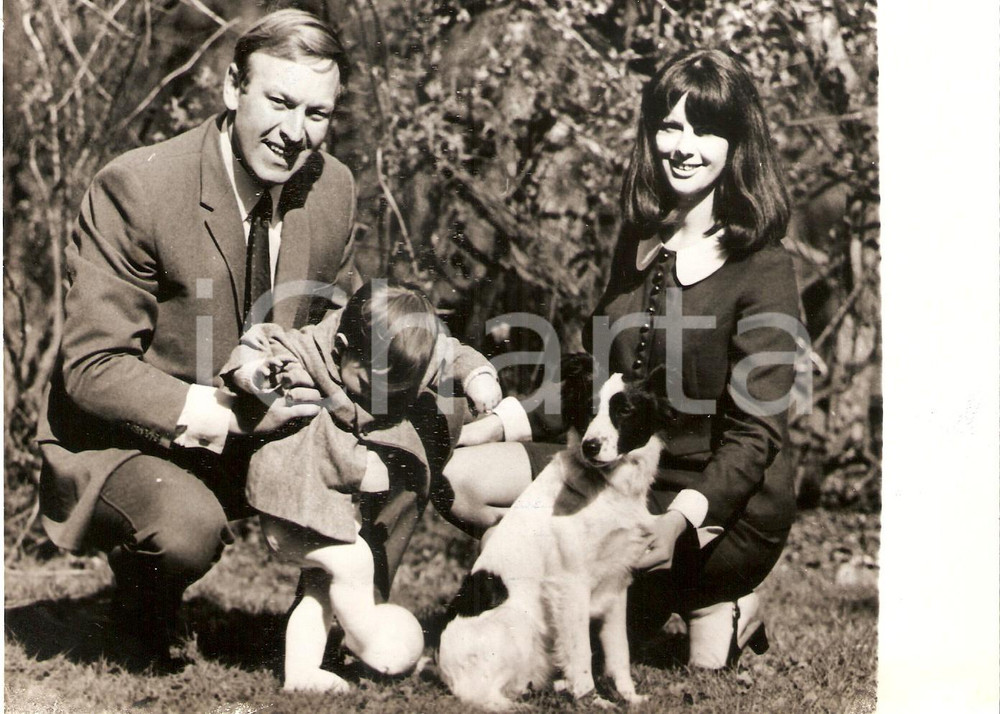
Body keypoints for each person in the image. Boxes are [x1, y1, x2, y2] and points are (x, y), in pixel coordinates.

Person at [439, 48, 802, 669]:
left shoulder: (765, 268)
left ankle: (722, 602)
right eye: (670, 125)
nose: (683, 146)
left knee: (697, 660)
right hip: (618, 476)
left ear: (738, 142)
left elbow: (755, 435)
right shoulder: (639, 240)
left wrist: (679, 524)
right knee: (460, 478)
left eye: (706, 129)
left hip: (718, 505)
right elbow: (599, 383)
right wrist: (485, 428)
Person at [36, 9, 361, 671]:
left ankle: (338, 626)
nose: (296, 133)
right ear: (231, 87)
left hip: (257, 427)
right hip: (131, 440)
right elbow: (93, 368)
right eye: (278, 102)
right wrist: (224, 415)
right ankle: (137, 616)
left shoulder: (333, 189)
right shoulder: (140, 186)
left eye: (318, 114)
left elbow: (341, 328)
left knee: (401, 453)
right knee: (185, 529)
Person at [220, 280, 501, 691]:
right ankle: (373, 642)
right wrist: (255, 374)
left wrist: (478, 378)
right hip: (291, 500)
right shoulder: (310, 349)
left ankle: (301, 674)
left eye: (394, 391)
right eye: (368, 384)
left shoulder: (406, 359)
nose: (379, 398)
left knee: (323, 588)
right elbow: (257, 345)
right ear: (341, 347)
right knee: (356, 565)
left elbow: (453, 353)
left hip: (329, 505)